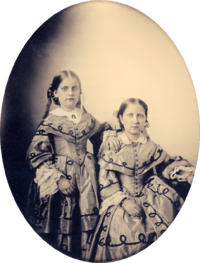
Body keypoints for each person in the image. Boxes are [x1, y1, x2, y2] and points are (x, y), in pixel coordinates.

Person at [26, 70, 120, 260]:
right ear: (55, 94)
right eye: (65, 88)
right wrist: (58, 178)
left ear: (80, 92)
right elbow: (37, 153)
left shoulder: (86, 118)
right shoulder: (49, 121)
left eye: (74, 88)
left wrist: (108, 136)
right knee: (63, 227)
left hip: (87, 180)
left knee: (86, 226)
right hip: (63, 177)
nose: (70, 93)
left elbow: (101, 131)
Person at [86, 98, 195, 262]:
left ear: (146, 120)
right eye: (130, 115)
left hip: (149, 197)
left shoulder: (150, 146)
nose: (135, 120)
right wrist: (124, 202)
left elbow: (167, 164)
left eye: (140, 116)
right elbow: (106, 180)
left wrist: (185, 174)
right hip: (121, 202)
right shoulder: (113, 146)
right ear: (121, 119)